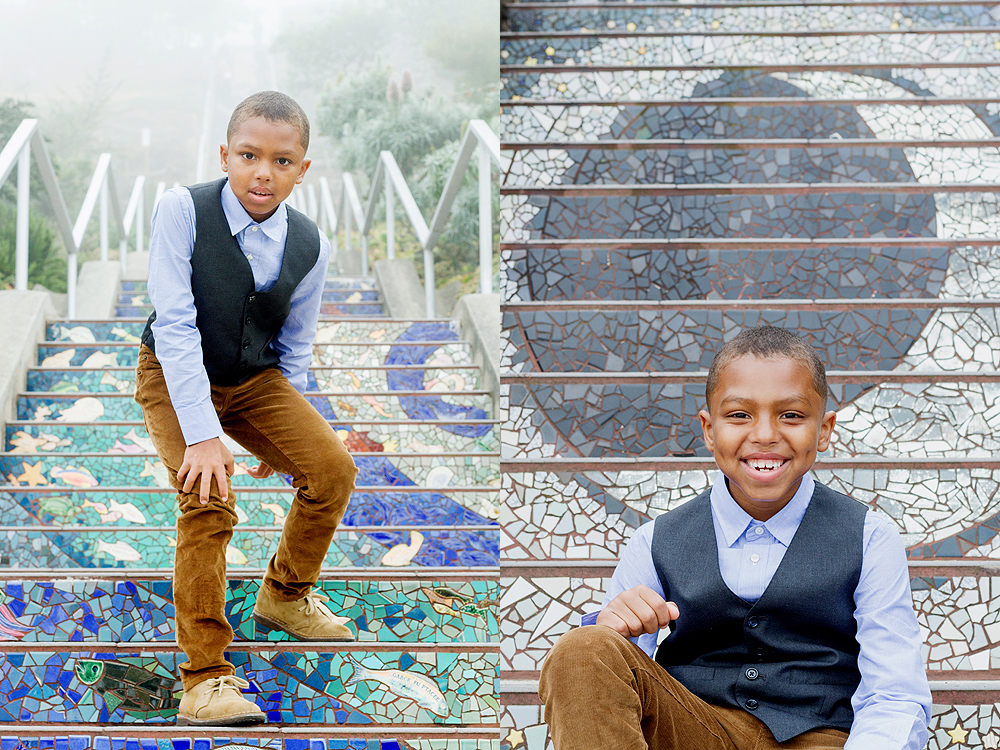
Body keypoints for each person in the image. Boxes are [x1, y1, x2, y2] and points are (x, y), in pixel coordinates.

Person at [538, 326, 931, 749]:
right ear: (709, 429)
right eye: (740, 415)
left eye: (792, 415)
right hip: (695, 730)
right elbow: (612, 673)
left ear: (824, 429)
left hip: (820, 736)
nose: (764, 434)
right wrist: (616, 629)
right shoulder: (656, 541)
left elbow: (893, 693)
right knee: (584, 649)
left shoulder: (869, 537)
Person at [134, 91, 359, 726]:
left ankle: (285, 596)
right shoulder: (182, 209)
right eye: (250, 156)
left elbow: (295, 340)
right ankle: (204, 678)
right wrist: (205, 435)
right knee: (207, 497)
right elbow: (175, 325)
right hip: (175, 374)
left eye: (282, 161)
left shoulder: (309, 241)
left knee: (333, 469)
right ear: (226, 154)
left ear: (302, 169)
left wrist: (277, 437)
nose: (264, 173)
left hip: (254, 379)